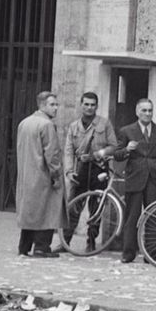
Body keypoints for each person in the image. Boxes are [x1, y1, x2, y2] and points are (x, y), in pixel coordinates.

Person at [115, 98, 156, 264]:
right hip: (135, 178)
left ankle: (151, 255)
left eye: (150, 110)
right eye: (144, 110)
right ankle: (128, 253)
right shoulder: (127, 131)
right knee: (132, 217)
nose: (147, 114)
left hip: (155, 179)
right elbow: (117, 154)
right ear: (137, 112)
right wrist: (127, 149)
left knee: (154, 216)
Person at [62, 90, 117, 253]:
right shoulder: (74, 126)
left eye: (93, 105)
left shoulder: (104, 124)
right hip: (80, 170)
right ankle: (65, 242)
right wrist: (69, 171)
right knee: (73, 207)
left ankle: (91, 242)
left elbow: (113, 146)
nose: (89, 108)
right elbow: (68, 150)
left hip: (98, 170)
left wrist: (97, 154)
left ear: (97, 106)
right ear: (81, 105)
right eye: (86, 104)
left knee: (96, 208)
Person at [14, 90, 65, 257]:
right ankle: (42, 246)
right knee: (48, 210)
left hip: (26, 173)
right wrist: (56, 175)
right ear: (42, 105)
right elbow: (52, 154)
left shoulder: (24, 123)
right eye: (52, 105)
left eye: (56, 104)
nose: (56, 108)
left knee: (30, 211)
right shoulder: (47, 125)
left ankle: (24, 246)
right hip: (42, 174)